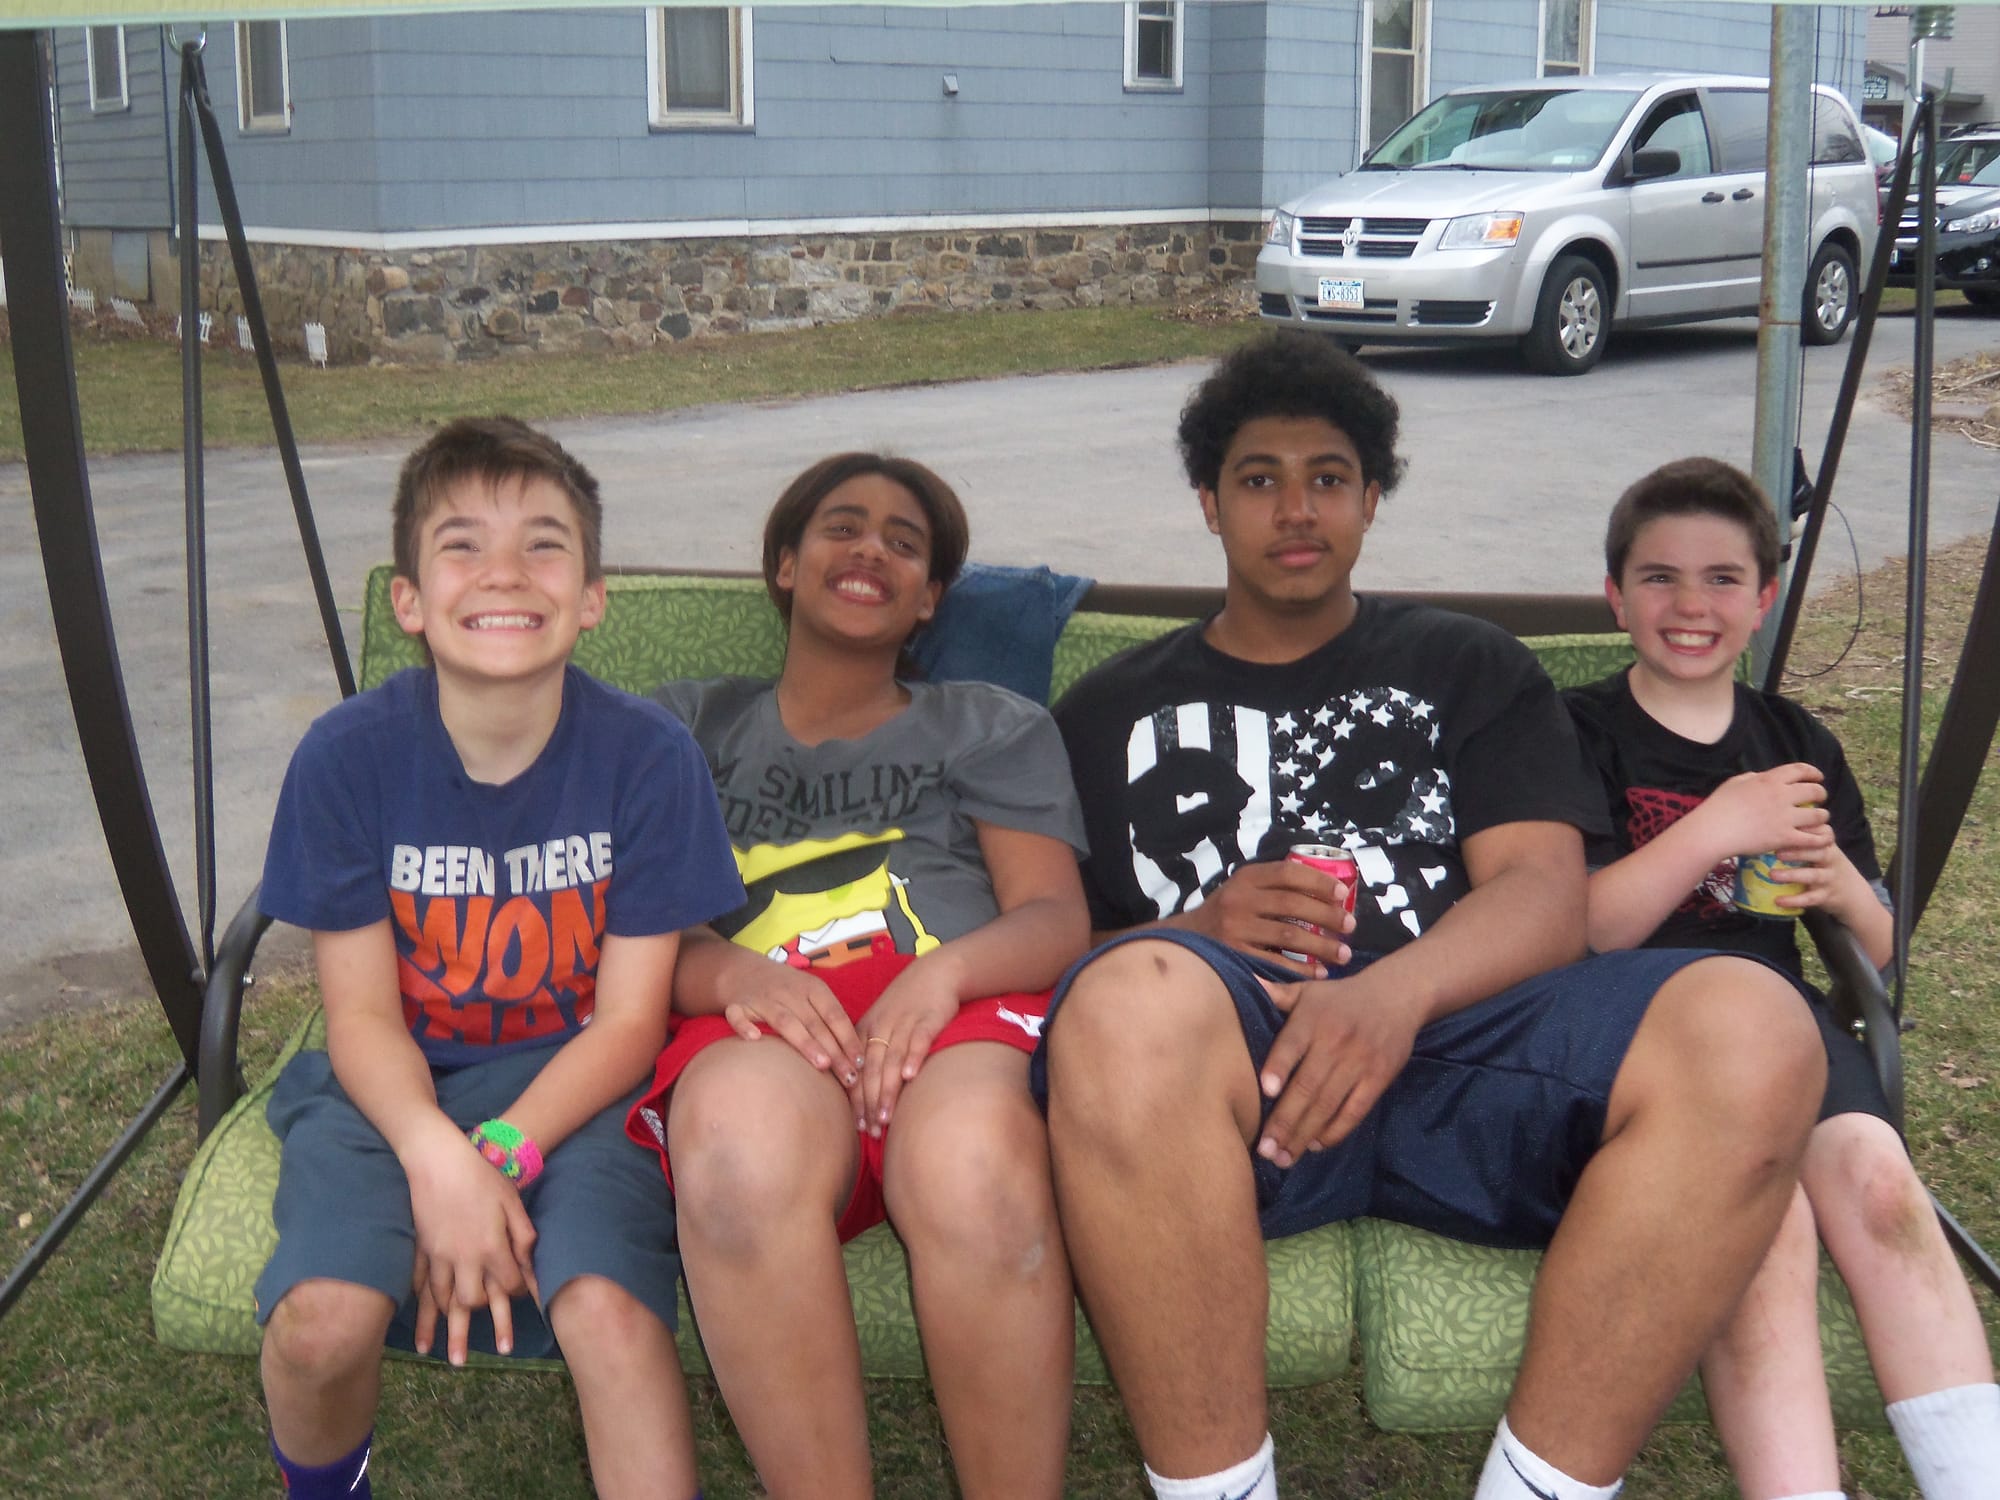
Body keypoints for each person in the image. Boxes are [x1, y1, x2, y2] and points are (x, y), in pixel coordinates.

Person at [1032, 332, 1829, 1500]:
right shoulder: (1104, 711)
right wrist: (1195, 929)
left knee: (1756, 1024)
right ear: (1208, 504)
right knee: (1126, 1000)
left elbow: (1543, 893)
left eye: (1328, 478)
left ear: (1370, 500)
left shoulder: (1464, 663)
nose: (1294, 509)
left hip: (1470, 1054)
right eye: (1257, 479)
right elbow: (1055, 949)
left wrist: (1391, 995)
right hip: (1223, 1087)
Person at [254, 416, 742, 1500]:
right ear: (410, 601)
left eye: (544, 545)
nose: (505, 573)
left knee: (611, 1318)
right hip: (391, 1081)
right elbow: (362, 1018)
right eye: (462, 545)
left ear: (593, 596)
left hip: (579, 1078)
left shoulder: (649, 759)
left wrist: (503, 1154)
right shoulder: (345, 758)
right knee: (320, 1325)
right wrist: (437, 1160)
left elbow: (631, 1022)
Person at [624, 453, 1090, 1500]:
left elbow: (1054, 917)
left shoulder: (989, 723)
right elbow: (630, 927)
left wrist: (944, 976)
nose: (870, 548)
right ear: (786, 565)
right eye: (842, 526)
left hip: (956, 1020)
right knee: (735, 1151)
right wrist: (726, 973)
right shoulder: (682, 727)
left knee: (974, 1166)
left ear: (928, 598)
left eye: (903, 542)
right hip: (759, 1029)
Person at [1563, 456, 2000, 1500]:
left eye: (1722, 579)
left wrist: (1844, 886)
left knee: (1882, 1189)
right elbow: (1581, 929)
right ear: (1615, 595)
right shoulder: (1574, 731)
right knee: (1762, 1228)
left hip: (1784, 1022)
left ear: (1762, 599)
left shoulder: (1794, 743)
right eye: (1659, 577)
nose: (1690, 604)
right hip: (1634, 1033)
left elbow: (1877, 951)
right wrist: (1715, 827)